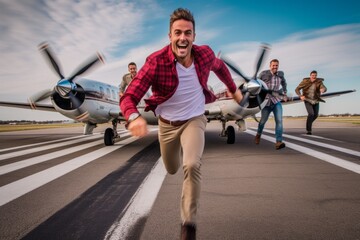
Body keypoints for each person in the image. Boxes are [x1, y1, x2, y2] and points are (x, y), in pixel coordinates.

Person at [120, 8, 242, 240]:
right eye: (177, 33)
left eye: (188, 33)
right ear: (170, 36)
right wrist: (133, 117)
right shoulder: (155, 62)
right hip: (166, 125)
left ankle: (188, 226)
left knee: (192, 165)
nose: (182, 38)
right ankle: (171, 163)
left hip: (194, 120)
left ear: (194, 36)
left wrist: (234, 90)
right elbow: (129, 96)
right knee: (172, 167)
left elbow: (220, 67)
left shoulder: (204, 55)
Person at [255, 59, 288, 150]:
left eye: (276, 65)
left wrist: (284, 92)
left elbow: (284, 83)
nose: (275, 67)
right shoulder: (263, 74)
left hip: (276, 100)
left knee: (279, 121)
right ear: (270, 66)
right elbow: (256, 82)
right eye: (273, 65)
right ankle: (258, 134)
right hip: (266, 102)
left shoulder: (281, 74)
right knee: (262, 121)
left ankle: (278, 142)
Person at [295, 70, 327, 135]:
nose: (314, 77)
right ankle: (309, 130)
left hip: (316, 100)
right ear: (310, 76)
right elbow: (297, 89)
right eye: (312, 75)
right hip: (307, 100)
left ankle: (308, 124)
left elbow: (324, 87)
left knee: (316, 115)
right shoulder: (305, 81)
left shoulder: (319, 81)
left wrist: (323, 90)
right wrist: (300, 95)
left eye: (315, 75)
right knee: (311, 114)